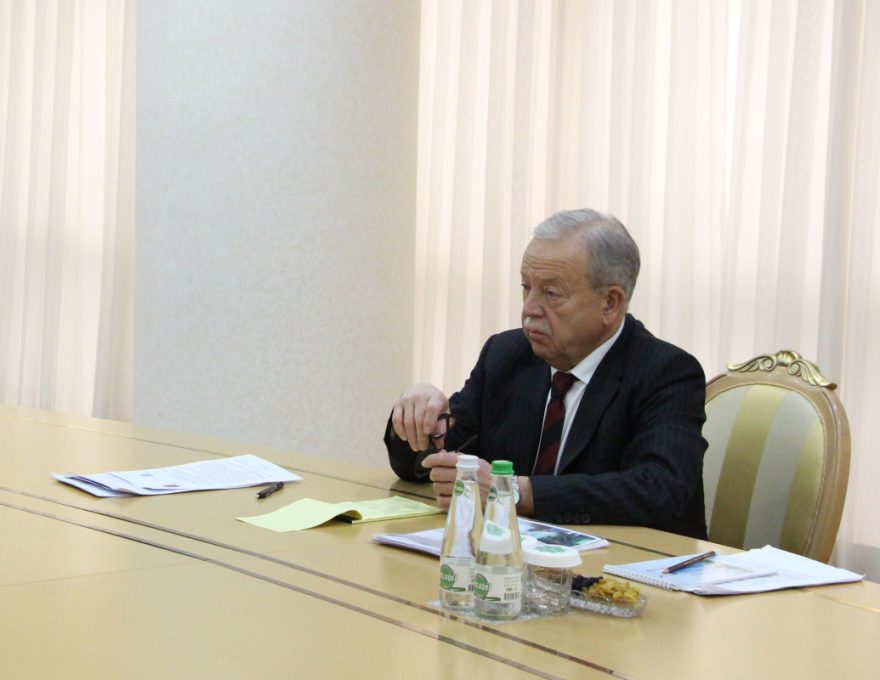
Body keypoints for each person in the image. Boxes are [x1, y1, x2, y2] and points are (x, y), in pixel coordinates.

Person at [384, 209, 707, 539]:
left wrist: (515, 492)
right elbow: (426, 465)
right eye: (526, 288)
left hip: (630, 562)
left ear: (610, 303)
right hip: (511, 558)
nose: (529, 309)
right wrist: (418, 419)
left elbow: (660, 489)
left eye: (551, 294)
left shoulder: (665, 372)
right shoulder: (506, 355)